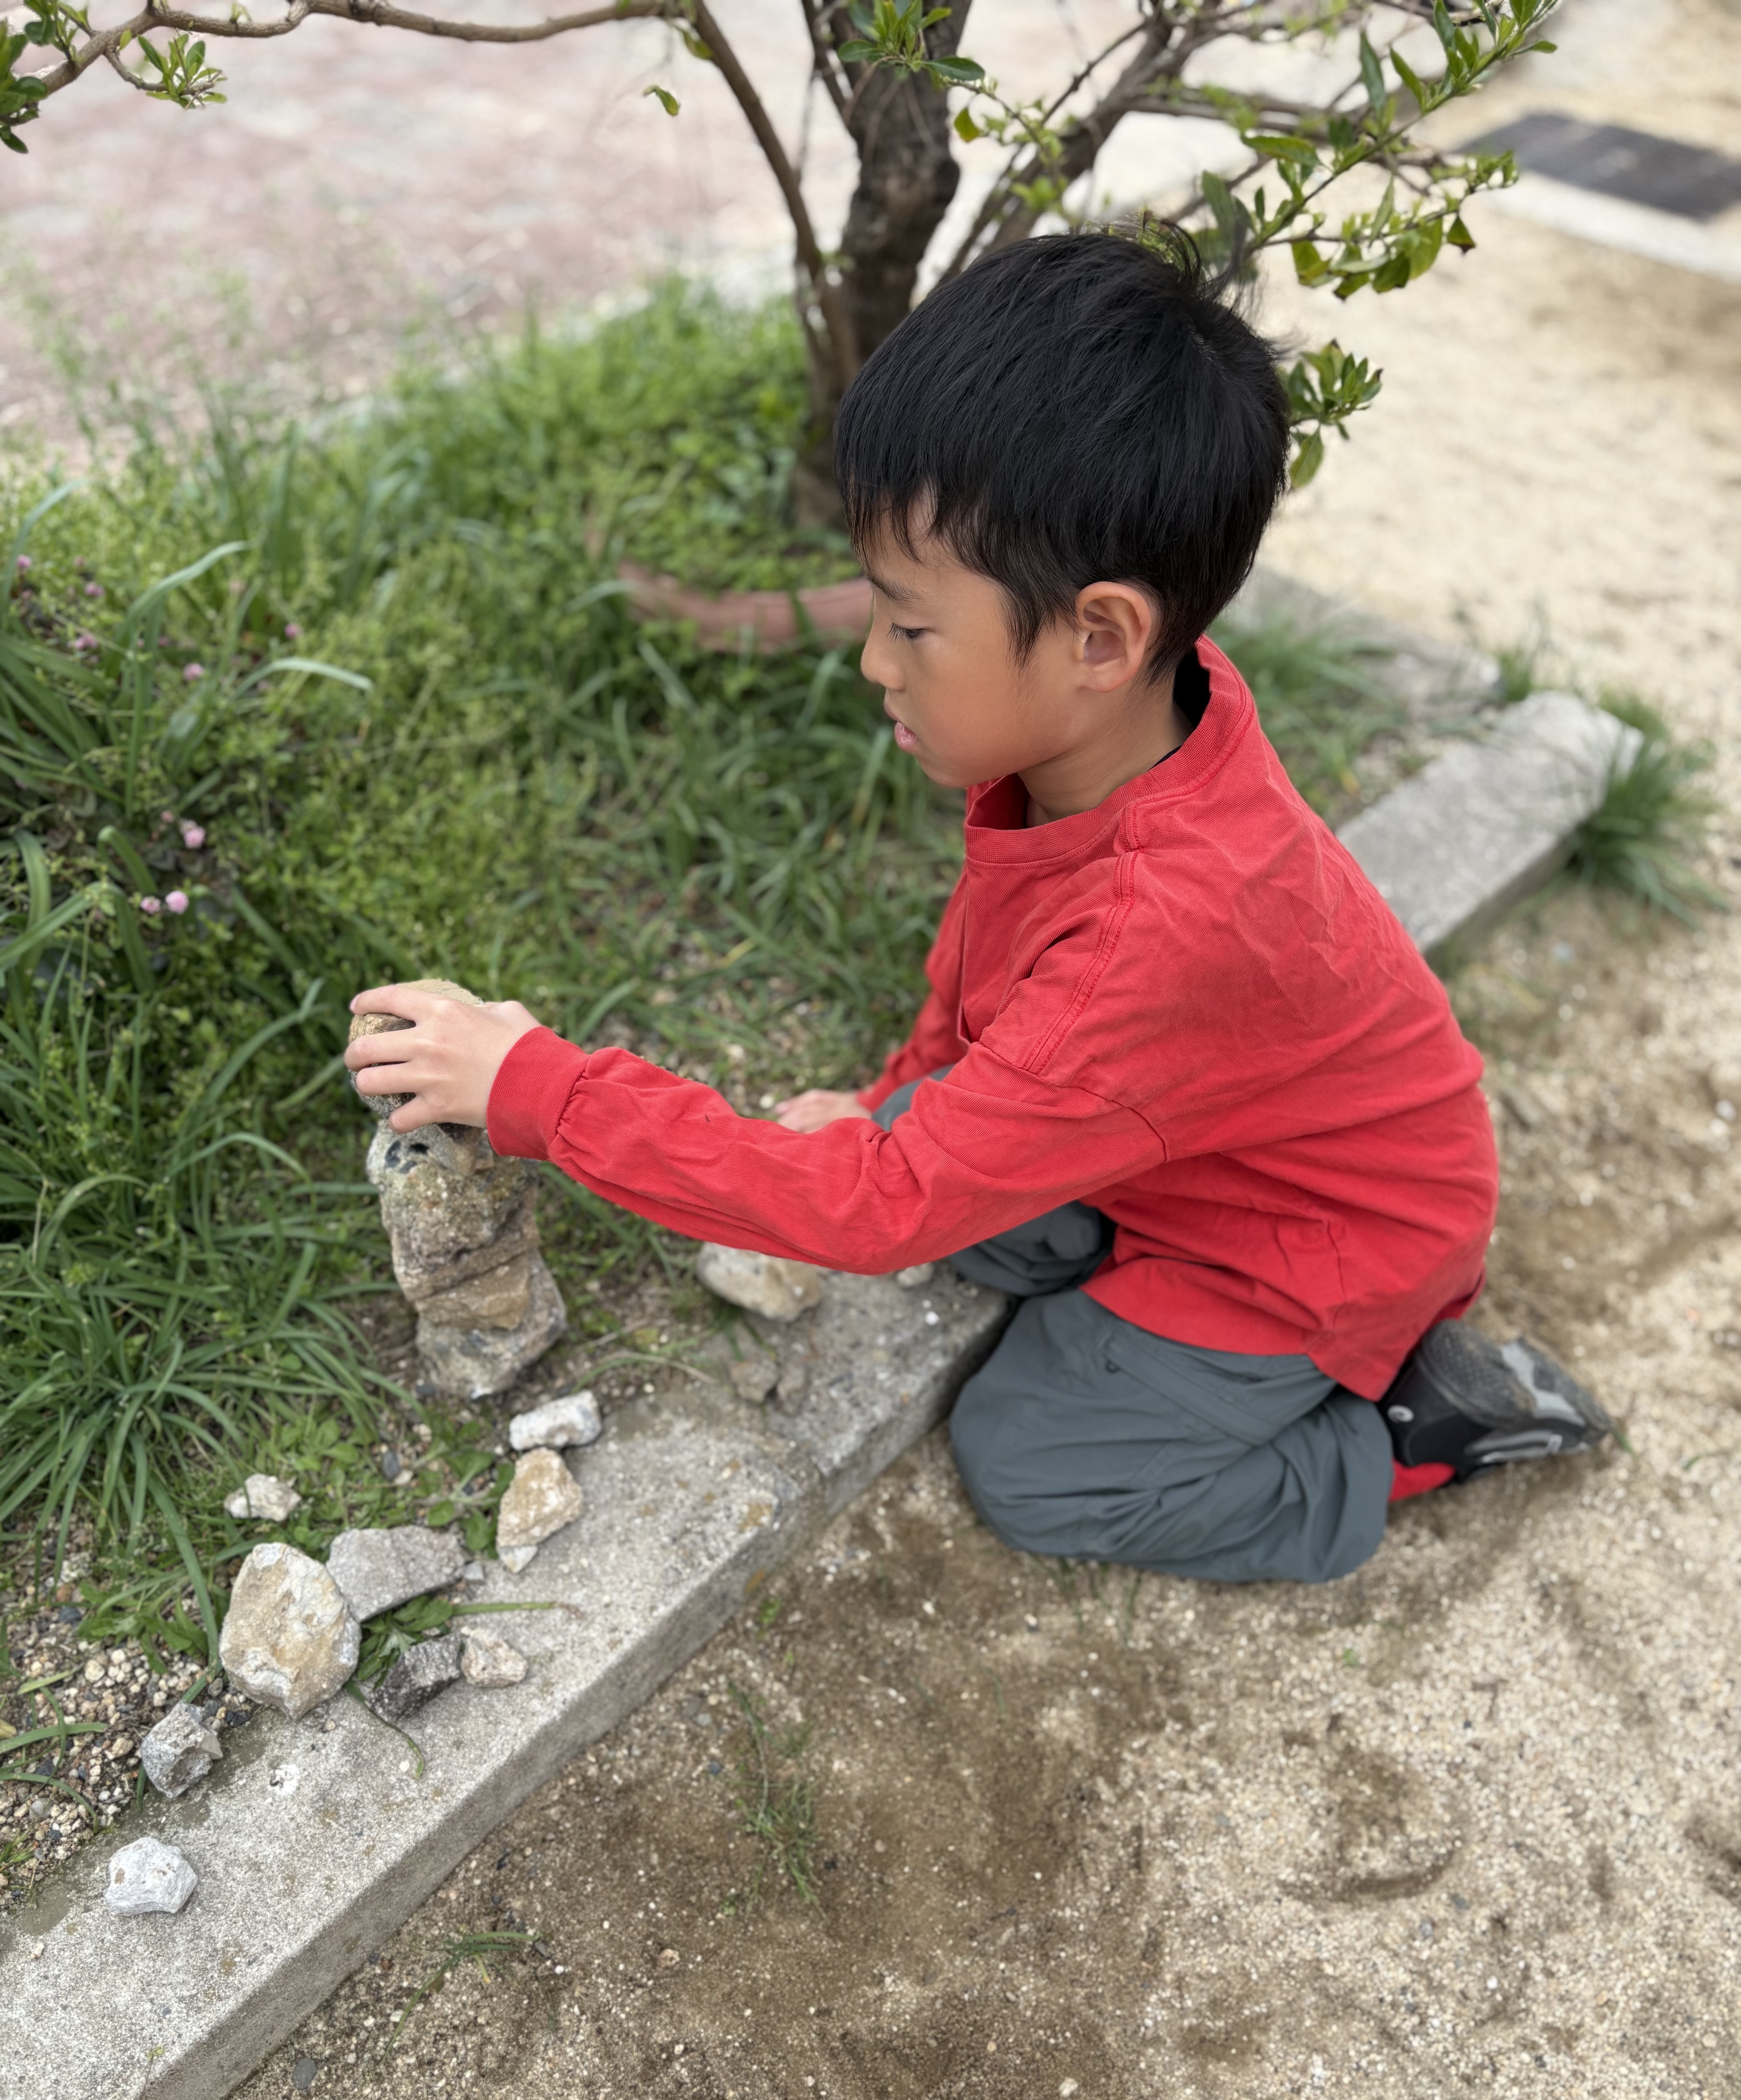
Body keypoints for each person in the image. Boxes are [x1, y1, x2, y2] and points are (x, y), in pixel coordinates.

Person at [344, 229, 1610, 1587]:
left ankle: (1399, 1436)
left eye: (909, 625)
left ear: (1100, 637)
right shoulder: (1129, 731)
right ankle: (1098, 1241)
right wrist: (893, 1094)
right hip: (1188, 1148)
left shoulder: (1159, 927)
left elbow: (879, 1208)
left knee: (1032, 1456)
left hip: (1307, 1249)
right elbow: (989, 985)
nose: (874, 662)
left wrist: (539, 1090)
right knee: (948, 1170)